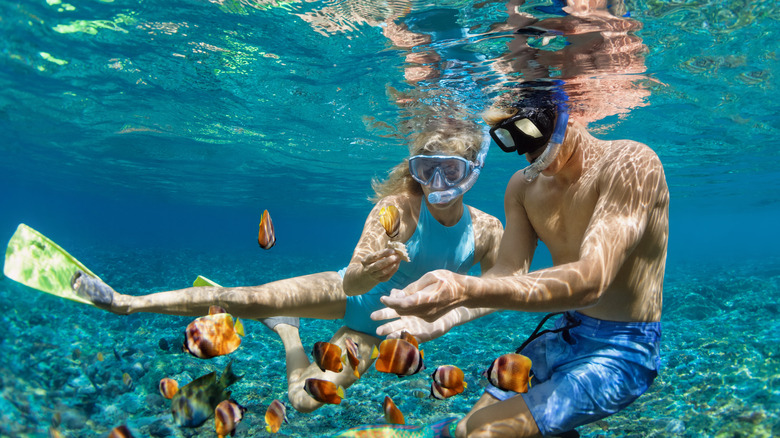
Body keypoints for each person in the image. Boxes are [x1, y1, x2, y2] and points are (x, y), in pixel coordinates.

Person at [71, 117, 504, 413]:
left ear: (472, 172)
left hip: (375, 332)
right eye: (426, 170)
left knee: (304, 401)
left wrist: (449, 313)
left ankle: (287, 329)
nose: (437, 184)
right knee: (240, 299)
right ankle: (127, 302)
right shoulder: (399, 209)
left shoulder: (487, 230)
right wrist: (371, 269)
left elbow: (501, 290)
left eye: (450, 170)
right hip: (344, 292)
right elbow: (353, 277)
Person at [372, 83, 669, 437]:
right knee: (466, 428)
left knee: (486, 433)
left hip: (622, 349)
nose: (527, 153)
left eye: (531, 131)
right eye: (510, 139)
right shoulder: (523, 187)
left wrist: (465, 289)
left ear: (564, 113)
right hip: (564, 332)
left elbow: (593, 279)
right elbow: (509, 270)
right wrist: (446, 317)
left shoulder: (631, 162)